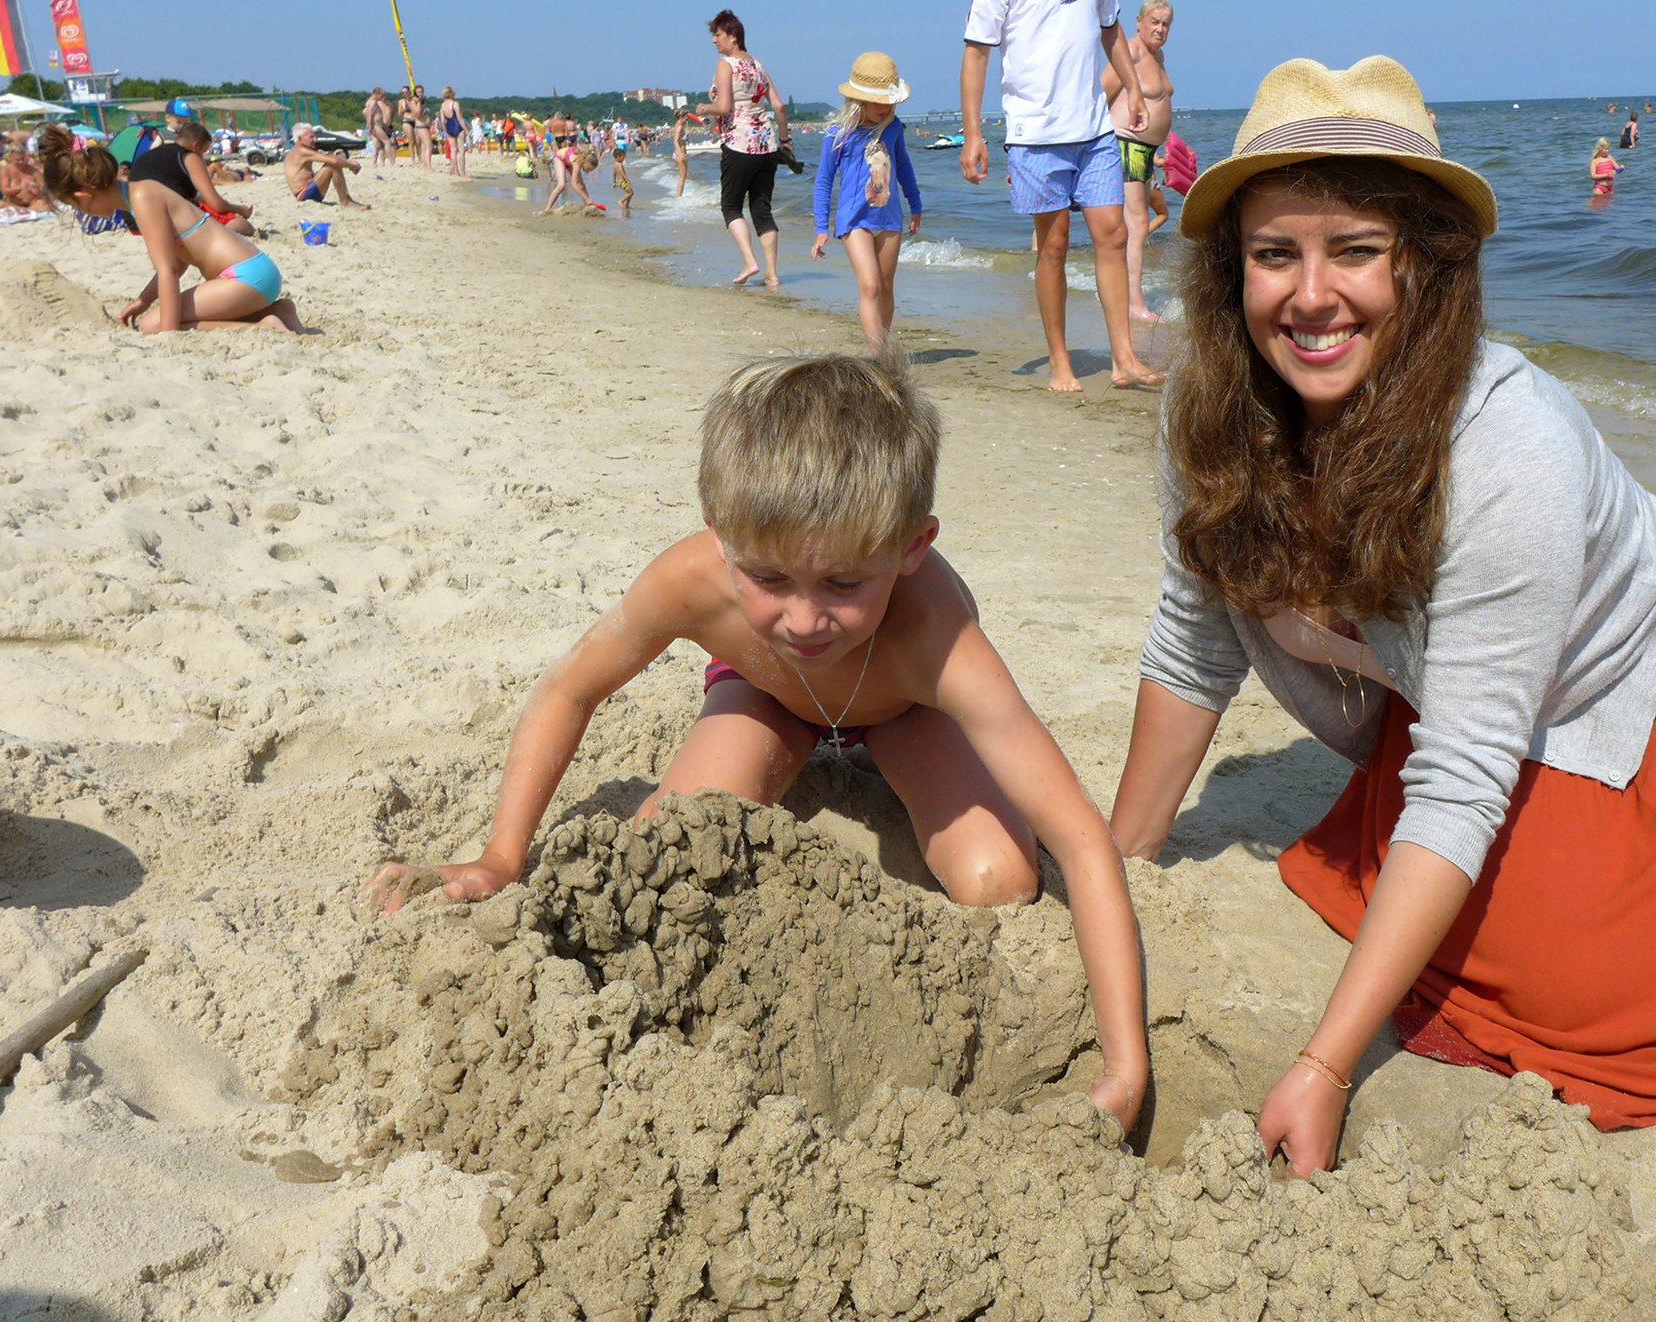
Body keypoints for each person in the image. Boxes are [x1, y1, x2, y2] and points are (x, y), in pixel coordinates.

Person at [1110, 56, 1656, 1176]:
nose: (1310, 296)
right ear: (1229, 271)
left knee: (1599, 997)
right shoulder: (1209, 410)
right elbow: (1192, 640)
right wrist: (1123, 860)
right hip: (1471, 690)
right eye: (1273, 254)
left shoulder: (1510, 446)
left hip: (1652, 678)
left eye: (1356, 251)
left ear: (1430, 268)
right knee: (1443, 907)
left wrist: (1325, 1066)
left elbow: (1459, 779)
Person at [365, 351, 1153, 1130]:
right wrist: (504, 856)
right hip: (768, 695)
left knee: (1000, 880)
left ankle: (874, 753)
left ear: (912, 547)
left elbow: (1081, 841)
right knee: (663, 858)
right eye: (769, 580)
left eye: (845, 584)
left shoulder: (939, 640)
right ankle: (802, 733)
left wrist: (1125, 1068)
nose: (804, 620)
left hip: (904, 709)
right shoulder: (693, 578)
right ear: (721, 536)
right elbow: (570, 687)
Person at [962, 0, 1164, 392]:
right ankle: (1059, 359)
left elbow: (1111, 29)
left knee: (1114, 235)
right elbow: (976, 53)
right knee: (1054, 244)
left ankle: (1124, 360)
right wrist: (972, 134)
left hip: (1095, 130)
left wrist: (1134, 89)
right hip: (1035, 135)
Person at [33, 124, 301, 333]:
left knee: (153, 325)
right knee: (158, 318)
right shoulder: (140, 193)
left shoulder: (141, 198)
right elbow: (178, 261)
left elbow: (168, 271)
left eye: (72, 205)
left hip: (243, 279)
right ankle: (280, 311)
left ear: (82, 196)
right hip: (254, 271)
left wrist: (168, 332)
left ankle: (262, 327)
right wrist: (144, 300)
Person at [811, 53, 924, 353]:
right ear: (859, 99)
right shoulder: (838, 134)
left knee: (886, 289)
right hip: (853, 220)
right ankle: (877, 360)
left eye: (889, 102)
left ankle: (882, 350)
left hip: (889, 219)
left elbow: (904, 167)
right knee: (870, 286)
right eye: (878, 102)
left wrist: (916, 204)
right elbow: (823, 181)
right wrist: (821, 227)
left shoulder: (893, 128)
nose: (885, 108)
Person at [699, 10, 794, 289]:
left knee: (730, 206)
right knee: (762, 208)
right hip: (767, 145)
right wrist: (785, 139)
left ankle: (750, 262)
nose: (714, 41)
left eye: (717, 35)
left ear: (732, 35)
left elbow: (724, 107)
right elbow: (779, 107)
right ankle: (772, 274)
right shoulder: (759, 65)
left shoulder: (725, 64)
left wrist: (704, 107)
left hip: (739, 143)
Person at [1102, 0, 1175, 328]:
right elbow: (1100, 97)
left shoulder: (1157, 57)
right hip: (1125, 145)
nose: (1160, 29)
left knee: (1136, 225)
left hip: (1146, 151)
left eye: (1166, 24)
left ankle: (1126, 292)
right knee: (1135, 224)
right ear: (1139, 21)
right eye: (1155, 22)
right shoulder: (1129, 52)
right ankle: (1134, 303)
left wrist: (1162, 154)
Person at [158, 123, 257, 237]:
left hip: (147, 214)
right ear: (195, 146)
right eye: (204, 150)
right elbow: (215, 203)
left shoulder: (157, 154)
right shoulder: (189, 157)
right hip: (179, 212)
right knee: (242, 225)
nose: (204, 154)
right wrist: (240, 209)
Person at [284, 123, 370, 210]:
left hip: (305, 192)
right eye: (311, 137)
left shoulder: (297, 150)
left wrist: (347, 162)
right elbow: (333, 160)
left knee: (333, 163)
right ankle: (345, 201)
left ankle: (346, 200)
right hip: (304, 195)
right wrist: (351, 165)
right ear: (300, 139)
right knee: (332, 165)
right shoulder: (301, 151)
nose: (315, 139)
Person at [541, 142, 602, 213]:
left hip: (569, 161)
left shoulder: (581, 159)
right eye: (588, 169)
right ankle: (547, 208)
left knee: (581, 185)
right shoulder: (577, 162)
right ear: (586, 162)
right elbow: (574, 185)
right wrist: (586, 199)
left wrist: (587, 199)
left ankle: (587, 205)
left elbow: (581, 186)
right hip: (560, 158)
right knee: (561, 185)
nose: (588, 171)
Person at [438, 86, 468, 177]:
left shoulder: (442, 105)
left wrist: (446, 131)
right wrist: (467, 131)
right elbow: (460, 119)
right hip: (457, 127)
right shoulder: (455, 103)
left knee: (453, 150)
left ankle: (456, 172)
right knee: (461, 151)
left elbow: (442, 121)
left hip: (449, 127)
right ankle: (463, 172)